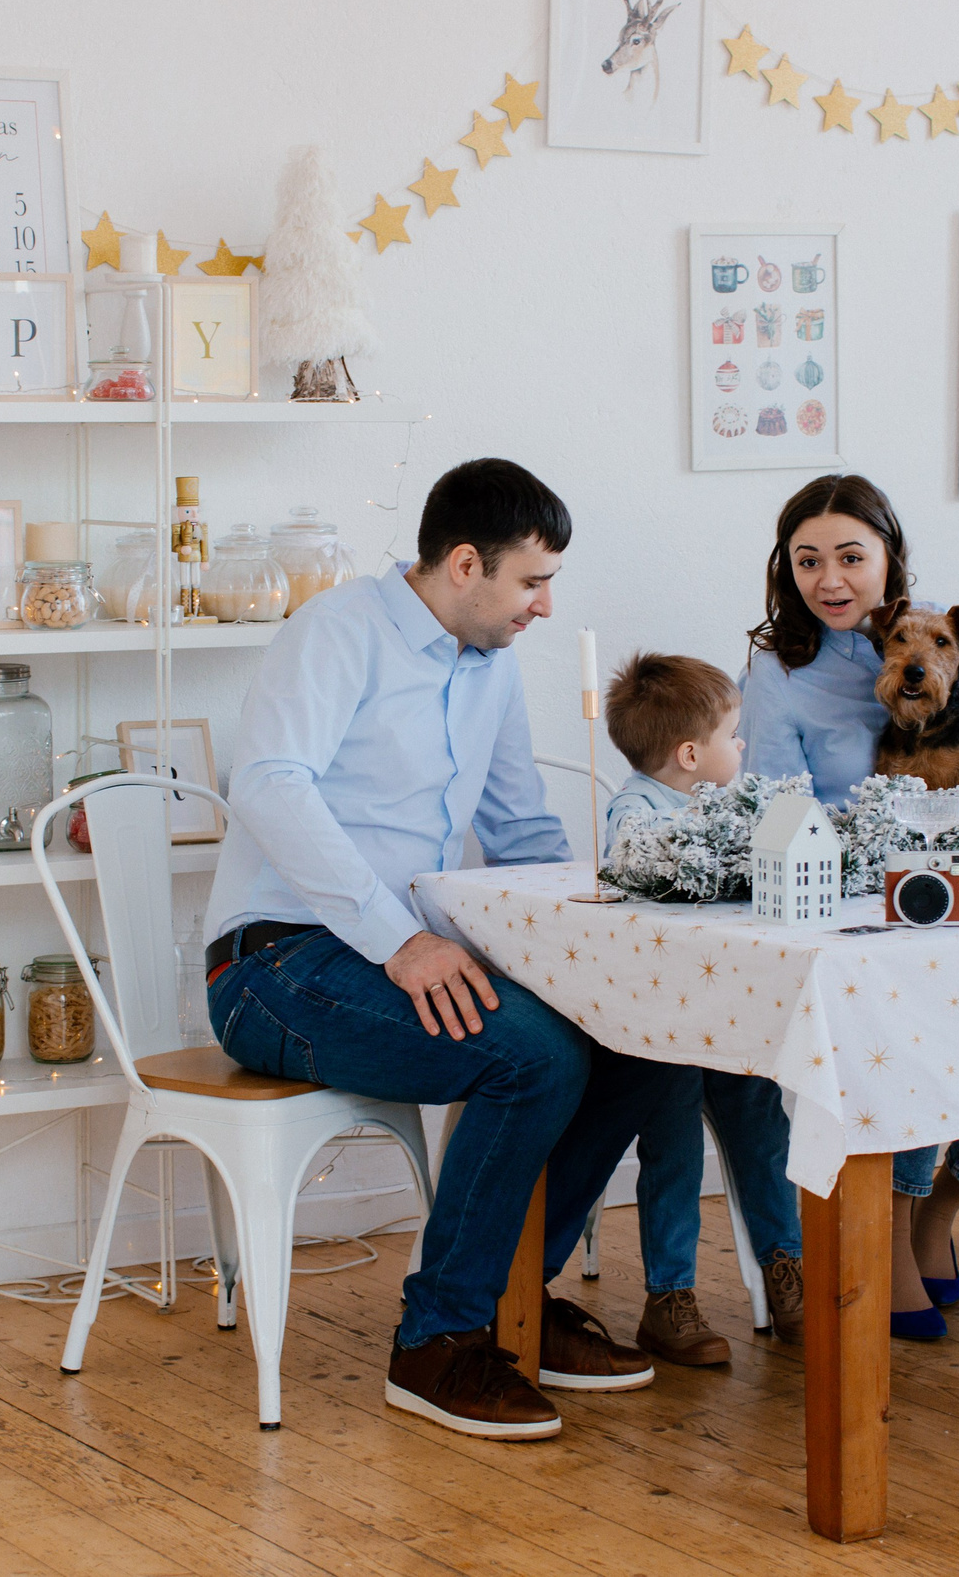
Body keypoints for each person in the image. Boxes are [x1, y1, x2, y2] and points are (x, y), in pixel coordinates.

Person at [206, 457, 680, 1442]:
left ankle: (514, 1302)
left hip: (395, 952)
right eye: (532, 581)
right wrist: (401, 942)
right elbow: (269, 786)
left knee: (639, 1041)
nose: (545, 605)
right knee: (533, 1058)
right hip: (271, 966)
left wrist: (605, 941)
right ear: (465, 564)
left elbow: (520, 829)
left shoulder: (490, 664)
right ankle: (438, 1341)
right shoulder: (336, 631)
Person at [738, 472, 959, 1338]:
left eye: (851, 556)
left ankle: (940, 1204)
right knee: (911, 1017)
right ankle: (890, 1225)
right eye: (808, 560)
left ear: (889, 559)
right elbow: (775, 809)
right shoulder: (778, 670)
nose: (830, 579)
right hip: (852, 911)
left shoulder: (950, 631)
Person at [567, 652, 805, 1366]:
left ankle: (787, 1266)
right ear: (691, 755)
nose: (744, 745)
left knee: (763, 1126)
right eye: (733, 734)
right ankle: (669, 1297)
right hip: (660, 1029)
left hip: (726, 1018)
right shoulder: (637, 812)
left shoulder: (735, 807)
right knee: (671, 1145)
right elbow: (639, 870)